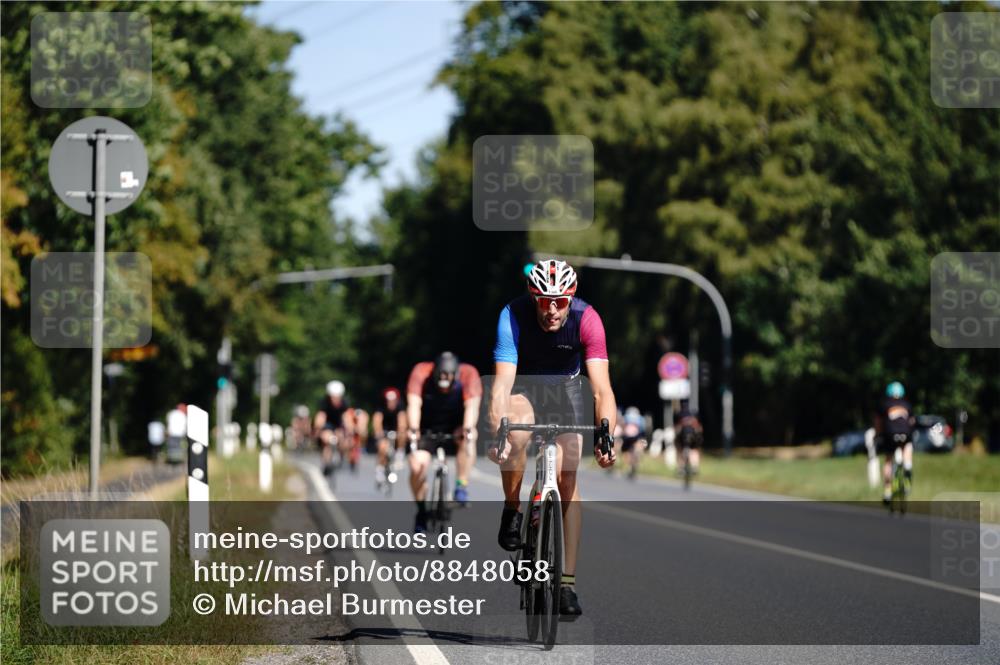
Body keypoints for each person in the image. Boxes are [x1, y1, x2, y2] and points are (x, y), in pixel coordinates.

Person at [488, 258, 617, 620]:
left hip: (568, 392)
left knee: (568, 474)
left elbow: (602, 389)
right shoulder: (512, 315)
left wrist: (606, 433)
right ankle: (513, 510)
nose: (553, 309)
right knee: (515, 432)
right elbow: (501, 385)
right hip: (525, 389)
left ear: (570, 297)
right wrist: (499, 428)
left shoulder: (587, 318)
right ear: (533, 298)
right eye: (545, 301)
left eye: (560, 301)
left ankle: (566, 585)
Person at [406, 352, 482, 532]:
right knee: (417, 466)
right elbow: (414, 404)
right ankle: (422, 510)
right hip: (427, 429)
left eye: (448, 377)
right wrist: (414, 429)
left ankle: (461, 486)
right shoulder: (421, 372)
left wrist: (467, 427)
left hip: (455, 427)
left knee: (470, 437)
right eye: (440, 376)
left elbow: (472, 406)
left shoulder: (468, 373)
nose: (443, 380)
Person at [874, 381, 915, 504]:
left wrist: (877, 435)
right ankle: (908, 465)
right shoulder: (907, 404)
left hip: (890, 434)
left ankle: (887, 491)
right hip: (905, 434)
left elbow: (878, 423)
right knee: (907, 446)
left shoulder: (884, 404)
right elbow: (912, 422)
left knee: (888, 460)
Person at [313, 380, 357, 476]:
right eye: (333, 397)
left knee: (343, 440)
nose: (335, 399)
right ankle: (326, 463)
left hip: (339, 425)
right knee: (327, 439)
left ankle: (340, 455)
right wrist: (318, 428)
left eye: (337, 397)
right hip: (327, 425)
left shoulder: (344, 403)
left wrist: (350, 430)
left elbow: (347, 417)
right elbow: (321, 416)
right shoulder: (324, 402)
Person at [371, 387, 407, 488]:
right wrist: (378, 432)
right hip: (385, 430)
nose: (391, 403)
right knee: (382, 448)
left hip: (396, 429)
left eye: (393, 401)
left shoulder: (400, 406)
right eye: (389, 401)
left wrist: (401, 431)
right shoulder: (381, 406)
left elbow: (402, 421)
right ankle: (380, 470)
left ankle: (400, 454)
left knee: (403, 435)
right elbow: (377, 420)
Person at [617, 406, 647, 480]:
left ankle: (630, 466)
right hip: (637, 437)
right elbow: (643, 429)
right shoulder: (640, 418)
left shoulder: (626, 417)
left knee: (627, 452)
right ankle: (634, 464)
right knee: (636, 451)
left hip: (627, 437)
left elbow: (622, 425)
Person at [674, 405, 703, 474]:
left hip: (683, 437)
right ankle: (694, 467)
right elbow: (700, 429)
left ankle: (681, 468)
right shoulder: (695, 419)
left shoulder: (681, 418)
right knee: (694, 451)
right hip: (693, 437)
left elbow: (677, 430)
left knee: (680, 451)